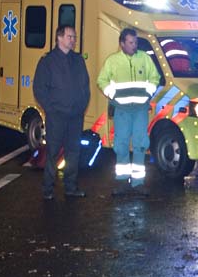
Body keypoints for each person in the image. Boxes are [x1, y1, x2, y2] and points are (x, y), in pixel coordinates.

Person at [97, 28, 160, 196]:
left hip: (140, 110)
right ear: (122, 43)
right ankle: (123, 182)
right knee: (121, 146)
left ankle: (138, 183)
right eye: (131, 42)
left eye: (136, 42)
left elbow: (155, 78)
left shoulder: (144, 59)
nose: (134, 45)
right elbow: (101, 80)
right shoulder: (113, 61)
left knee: (140, 145)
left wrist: (148, 93)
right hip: (122, 111)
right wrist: (113, 95)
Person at [32, 25, 90, 200]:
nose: (73, 40)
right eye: (69, 37)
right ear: (59, 38)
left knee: (74, 152)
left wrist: (81, 107)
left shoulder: (78, 60)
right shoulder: (48, 61)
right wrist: (50, 109)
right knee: (53, 152)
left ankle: (71, 188)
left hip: (75, 117)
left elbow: (85, 87)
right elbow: (39, 88)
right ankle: (48, 189)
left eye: (74, 37)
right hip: (56, 116)